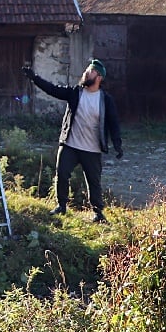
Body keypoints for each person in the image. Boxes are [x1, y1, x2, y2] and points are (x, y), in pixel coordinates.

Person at [23, 59, 123, 222]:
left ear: (99, 78)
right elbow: (52, 90)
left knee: (94, 181)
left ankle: (98, 213)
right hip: (70, 144)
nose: (86, 73)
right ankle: (61, 206)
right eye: (86, 70)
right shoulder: (75, 93)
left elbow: (113, 123)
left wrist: (117, 144)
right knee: (62, 173)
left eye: (90, 71)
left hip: (92, 149)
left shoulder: (105, 99)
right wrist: (34, 77)